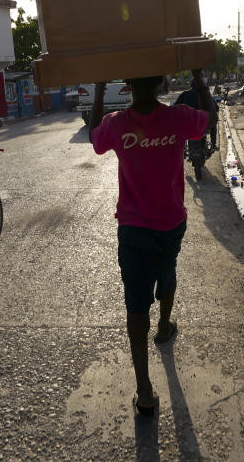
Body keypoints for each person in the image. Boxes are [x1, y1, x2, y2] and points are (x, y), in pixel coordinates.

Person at [89, 70, 211, 416]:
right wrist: (199, 77)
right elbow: (210, 118)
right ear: (160, 83)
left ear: (127, 85)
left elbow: (94, 139)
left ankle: (144, 390)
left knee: (134, 302)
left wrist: (99, 89)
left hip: (132, 229)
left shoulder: (115, 123)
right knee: (168, 270)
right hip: (170, 224)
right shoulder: (179, 118)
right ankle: (164, 326)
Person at [175, 77, 218, 151]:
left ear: (191, 85)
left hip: (188, 122)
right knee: (213, 126)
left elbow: (175, 107)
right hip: (203, 123)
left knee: (178, 129)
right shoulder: (206, 95)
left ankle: (181, 148)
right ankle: (213, 145)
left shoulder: (184, 94)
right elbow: (215, 108)